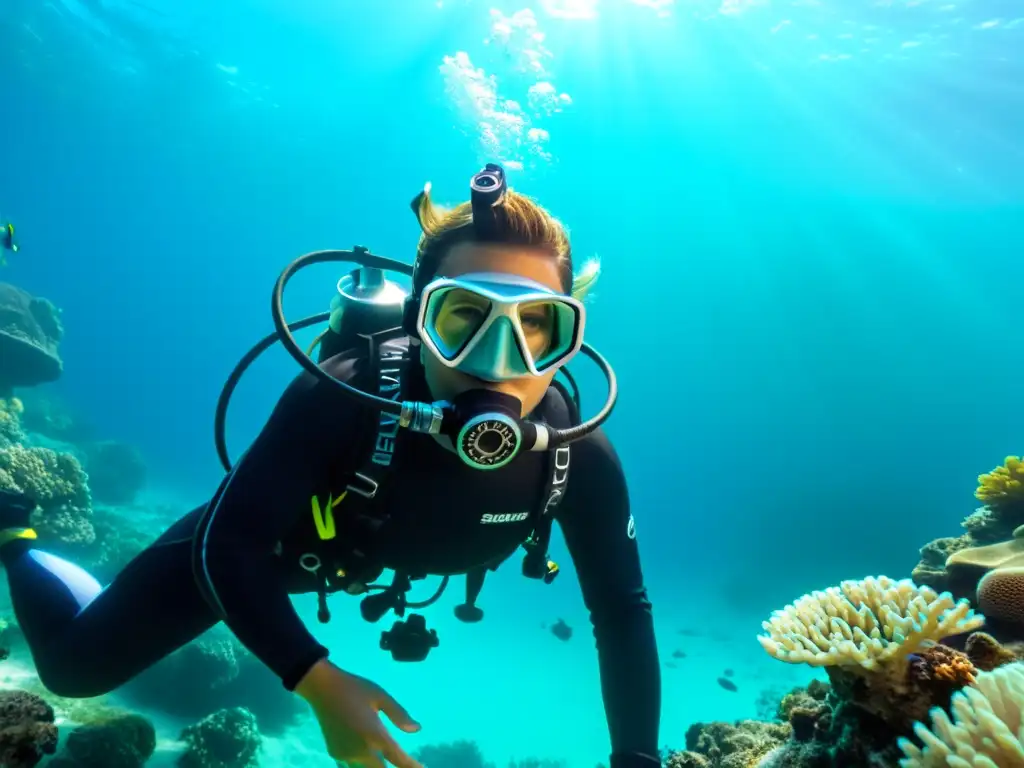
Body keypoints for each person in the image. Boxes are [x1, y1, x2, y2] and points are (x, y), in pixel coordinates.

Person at [0, 164, 661, 768]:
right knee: (71, 672)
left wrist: (637, 759)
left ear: (566, 337)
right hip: (282, 549)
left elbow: (622, 611)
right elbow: (229, 545)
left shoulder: (578, 453)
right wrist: (315, 680)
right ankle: (15, 533)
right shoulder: (345, 393)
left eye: (536, 325)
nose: (496, 359)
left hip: (354, 555)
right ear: (417, 317)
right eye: (463, 316)